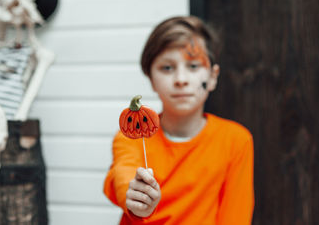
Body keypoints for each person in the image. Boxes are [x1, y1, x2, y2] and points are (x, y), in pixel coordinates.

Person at [103, 16, 254, 224]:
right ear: (151, 79)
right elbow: (122, 174)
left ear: (212, 77)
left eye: (193, 66)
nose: (181, 80)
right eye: (167, 68)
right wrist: (135, 195)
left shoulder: (236, 141)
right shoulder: (132, 136)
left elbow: (235, 217)